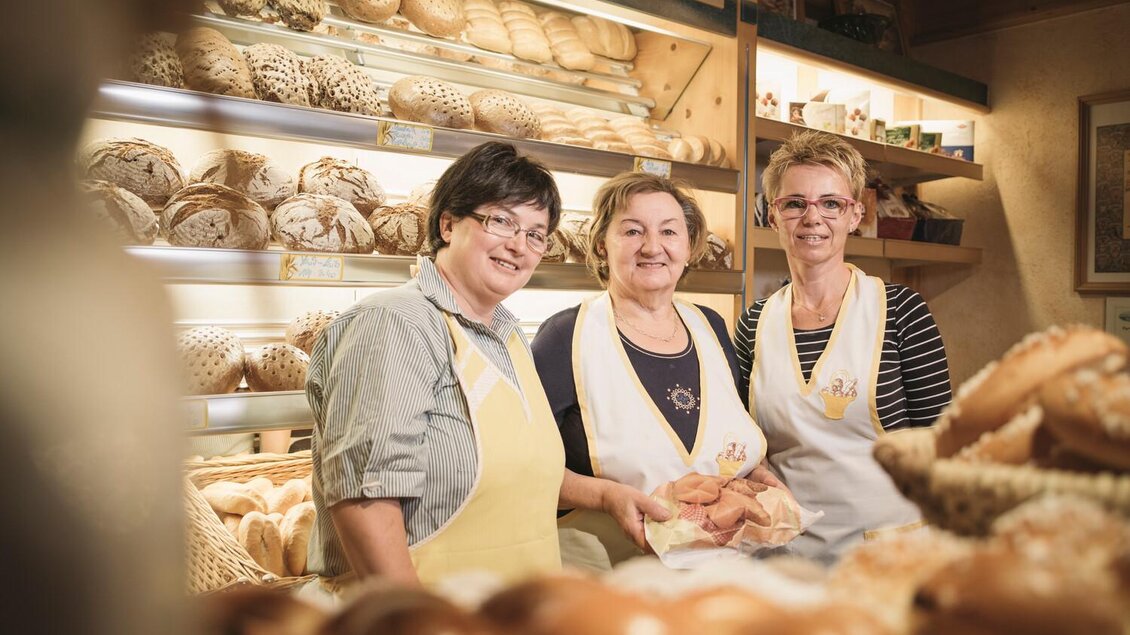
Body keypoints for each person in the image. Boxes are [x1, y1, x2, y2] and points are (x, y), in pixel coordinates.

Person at [305, 142, 658, 589]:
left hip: (509, 611)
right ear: (448, 223)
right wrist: (410, 619)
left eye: (535, 234)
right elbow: (364, 494)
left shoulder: (506, 335)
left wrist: (607, 496)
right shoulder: (395, 322)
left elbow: (517, 466)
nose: (518, 246)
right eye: (501, 221)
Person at [531, 172, 775, 569]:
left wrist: (755, 476)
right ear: (600, 244)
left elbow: (722, 435)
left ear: (689, 246)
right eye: (632, 231)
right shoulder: (566, 335)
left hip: (718, 571)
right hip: (609, 578)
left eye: (669, 231)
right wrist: (605, 497)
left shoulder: (710, 326)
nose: (652, 247)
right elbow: (522, 467)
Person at [734, 130, 952, 564]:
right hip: (785, 556)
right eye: (794, 203)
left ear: (855, 215)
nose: (813, 218)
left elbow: (944, 444)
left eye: (831, 203)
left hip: (889, 556)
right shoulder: (755, 322)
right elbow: (741, 441)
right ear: (772, 217)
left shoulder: (901, 311)